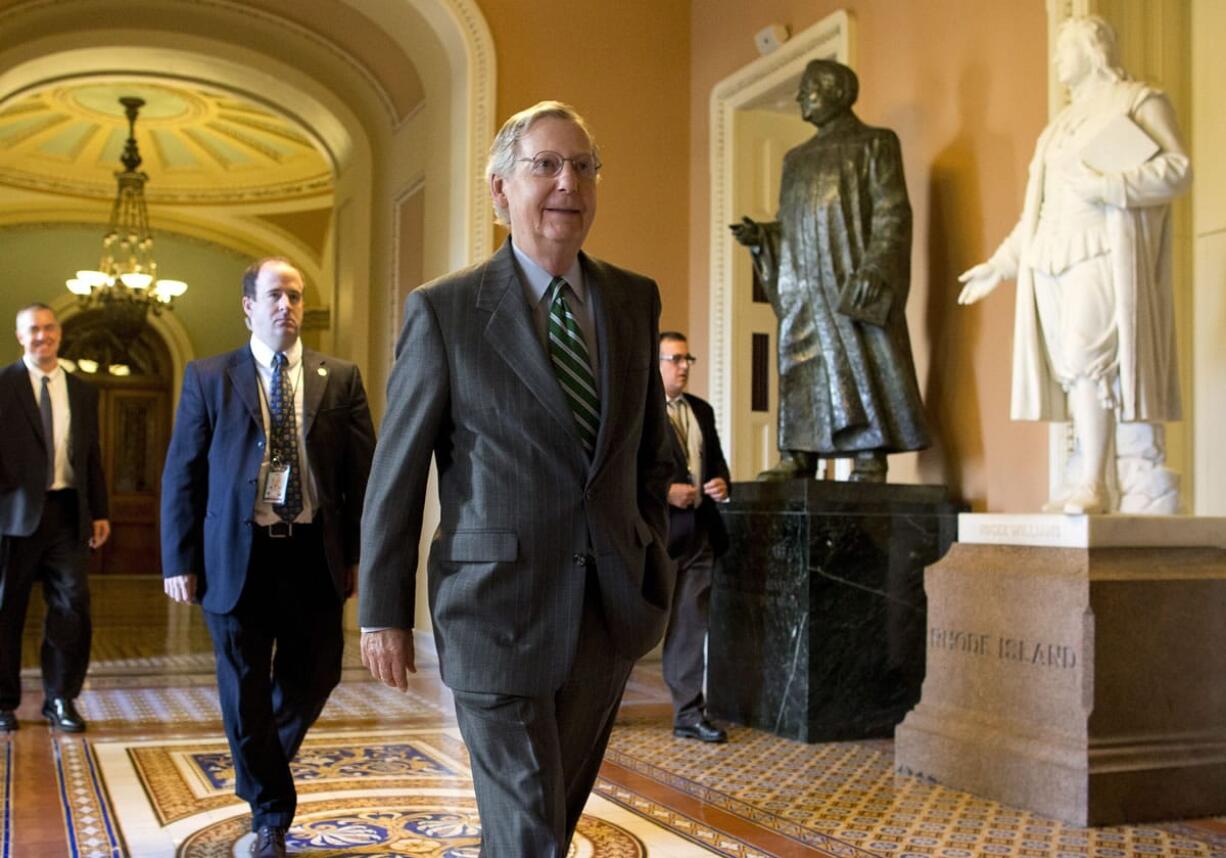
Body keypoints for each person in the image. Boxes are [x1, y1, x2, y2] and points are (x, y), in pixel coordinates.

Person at [359, 101, 674, 857]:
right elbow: (395, 474)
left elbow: (651, 455)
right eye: (547, 164)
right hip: (492, 612)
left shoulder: (633, 301)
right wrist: (382, 610)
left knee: (548, 823)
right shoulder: (446, 310)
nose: (570, 182)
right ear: (501, 192)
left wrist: (650, 552)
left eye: (584, 166)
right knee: (530, 826)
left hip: (606, 613)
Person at [160, 258, 375, 858]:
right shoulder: (209, 376)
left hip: (312, 553)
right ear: (249, 307)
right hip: (236, 553)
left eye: (297, 296)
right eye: (275, 295)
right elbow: (184, 471)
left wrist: (360, 557)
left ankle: (260, 767)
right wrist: (178, 558)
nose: (288, 306)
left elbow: (362, 479)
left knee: (319, 671)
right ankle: (271, 814)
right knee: (244, 685)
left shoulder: (341, 377)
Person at [957, 15, 1191, 515]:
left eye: (1065, 50)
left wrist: (1110, 188)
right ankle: (1088, 470)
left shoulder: (1136, 100)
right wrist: (999, 265)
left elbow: (1177, 169)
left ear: (1092, 49)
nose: (1059, 60)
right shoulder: (1057, 128)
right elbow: (1036, 214)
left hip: (1102, 248)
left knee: (1091, 359)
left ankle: (1094, 482)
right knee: (1071, 371)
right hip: (1050, 256)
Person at [732, 59, 930, 483]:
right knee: (798, 360)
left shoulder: (875, 144)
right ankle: (799, 453)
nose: (801, 97)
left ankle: (869, 454)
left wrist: (876, 267)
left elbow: (893, 212)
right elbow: (789, 224)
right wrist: (763, 237)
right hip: (802, 283)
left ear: (838, 92)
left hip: (848, 275)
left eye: (809, 88)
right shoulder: (795, 160)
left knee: (862, 357)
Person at [0, 304, 110, 733]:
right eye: (33, 330)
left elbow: (91, 456)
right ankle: (3, 702)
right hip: (12, 516)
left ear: (59, 334)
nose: (41, 336)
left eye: (48, 328)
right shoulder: (4, 384)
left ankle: (61, 698)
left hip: (67, 514)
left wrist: (99, 510)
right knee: (6, 609)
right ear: (19, 335)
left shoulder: (83, 391)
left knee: (73, 606)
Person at [658, 332, 730, 743]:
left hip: (700, 534)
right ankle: (599, 712)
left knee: (689, 626)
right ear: (656, 364)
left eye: (688, 359)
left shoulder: (701, 410)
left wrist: (722, 483)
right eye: (675, 359)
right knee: (634, 626)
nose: (684, 366)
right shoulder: (638, 411)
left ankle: (688, 715)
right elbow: (620, 472)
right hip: (654, 535)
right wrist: (664, 493)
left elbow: (716, 461)